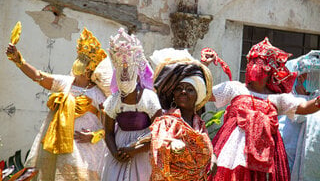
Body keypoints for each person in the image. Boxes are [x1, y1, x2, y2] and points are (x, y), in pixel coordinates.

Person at [202, 38, 320, 181]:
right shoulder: (234, 88)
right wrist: (204, 66)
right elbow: (204, 93)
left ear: (271, 71)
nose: (256, 67)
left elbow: (303, 107)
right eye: (254, 62)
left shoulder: (277, 98)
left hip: (267, 155)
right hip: (232, 152)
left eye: (262, 64)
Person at [5, 28, 111, 180]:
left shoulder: (98, 94)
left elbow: (109, 126)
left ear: (90, 68)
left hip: (88, 151)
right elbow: (38, 76)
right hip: (61, 147)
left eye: (84, 59)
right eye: (79, 57)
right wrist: (18, 60)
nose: (79, 61)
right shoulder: (66, 83)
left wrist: (93, 136)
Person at [102, 28, 162, 181]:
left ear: (136, 70)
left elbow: (159, 133)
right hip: (119, 153)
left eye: (128, 70)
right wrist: (116, 153)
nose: (124, 75)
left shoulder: (149, 99)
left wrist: (135, 150)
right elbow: (108, 132)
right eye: (121, 70)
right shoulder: (113, 101)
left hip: (143, 154)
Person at [149, 48, 216, 181]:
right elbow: (159, 144)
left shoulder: (199, 124)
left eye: (190, 89)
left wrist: (213, 158)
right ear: (173, 95)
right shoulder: (167, 121)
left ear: (197, 95)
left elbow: (206, 148)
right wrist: (172, 144)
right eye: (179, 88)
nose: (183, 92)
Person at [278, 50, 320, 180]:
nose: (317, 80)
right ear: (300, 77)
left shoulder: (315, 97)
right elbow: (300, 115)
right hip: (287, 163)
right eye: (313, 76)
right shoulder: (287, 99)